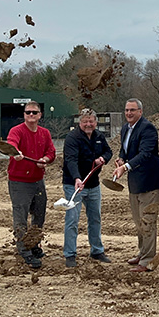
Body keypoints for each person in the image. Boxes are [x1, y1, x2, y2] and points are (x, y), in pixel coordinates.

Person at [113, 98, 159, 273]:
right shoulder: (125, 129)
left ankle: (147, 260)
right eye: (127, 110)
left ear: (140, 112)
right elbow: (125, 149)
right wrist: (121, 158)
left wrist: (125, 167)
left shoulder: (148, 128)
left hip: (150, 182)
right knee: (138, 221)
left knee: (148, 221)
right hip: (135, 182)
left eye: (132, 110)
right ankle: (142, 252)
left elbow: (145, 154)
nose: (129, 113)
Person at [6, 101, 56, 269]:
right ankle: (24, 250)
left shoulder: (45, 133)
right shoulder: (17, 131)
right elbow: (11, 143)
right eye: (28, 112)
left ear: (40, 115)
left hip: (37, 180)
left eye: (34, 112)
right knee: (20, 218)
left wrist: (45, 160)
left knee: (39, 215)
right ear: (24, 115)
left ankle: (34, 244)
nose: (31, 115)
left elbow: (51, 152)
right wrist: (15, 152)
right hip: (19, 181)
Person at [62, 108, 113, 268]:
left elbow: (108, 151)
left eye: (91, 121)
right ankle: (70, 254)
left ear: (96, 122)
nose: (88, 124)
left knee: (95, 218)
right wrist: (77, 178)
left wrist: (103, 159)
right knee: (72, 220)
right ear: (80, 122)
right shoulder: (72, 138)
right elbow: (70, 160)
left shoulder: (99, 137)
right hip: (74, 185)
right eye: (85, 121)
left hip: (93, 184)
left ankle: (97, 250)